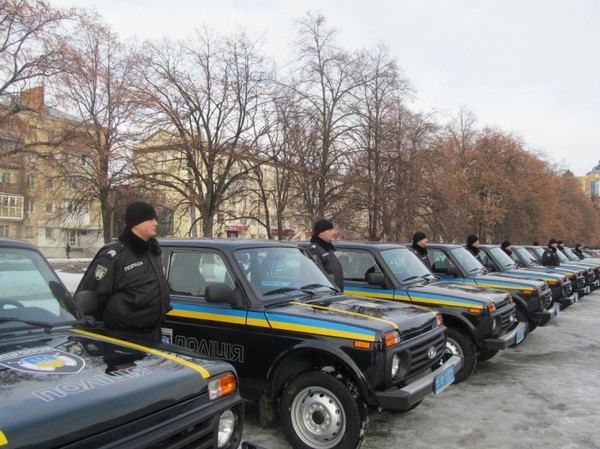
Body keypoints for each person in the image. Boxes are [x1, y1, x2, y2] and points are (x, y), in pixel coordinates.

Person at [77, 201, 171, 353]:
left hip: (153, 336)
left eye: (155, 219)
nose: (156, 223)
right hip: (123, 341)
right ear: (136, 223)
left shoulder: (153, 253)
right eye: (150, 219)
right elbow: (92, 297)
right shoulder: (115, 256)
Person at [308, 219, 344, 291]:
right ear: (321, 233)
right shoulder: (315, 250)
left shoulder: (328, 248)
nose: (333, 233)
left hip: (335, 292)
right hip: (325, 293)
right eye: (330, 230)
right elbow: (317, 276)